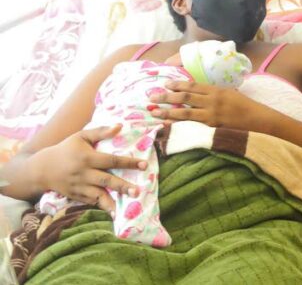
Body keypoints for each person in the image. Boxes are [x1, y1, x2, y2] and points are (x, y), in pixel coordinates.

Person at [1, 0, 302, 278]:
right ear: (181, 1)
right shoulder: (129, 59)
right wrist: (52, 166)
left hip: (252, 226)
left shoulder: (295, 59)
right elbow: (16, 171)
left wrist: (254, 120)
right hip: (113, 224)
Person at [37, 40, 253, 246]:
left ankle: (54, 200)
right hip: (132, 134)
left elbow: (103, 97)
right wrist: (44, 169)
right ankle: (138, 225)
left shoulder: (127, 69)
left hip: (102, 133)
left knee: (96, 173)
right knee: (136, 176)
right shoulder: (136, 62)